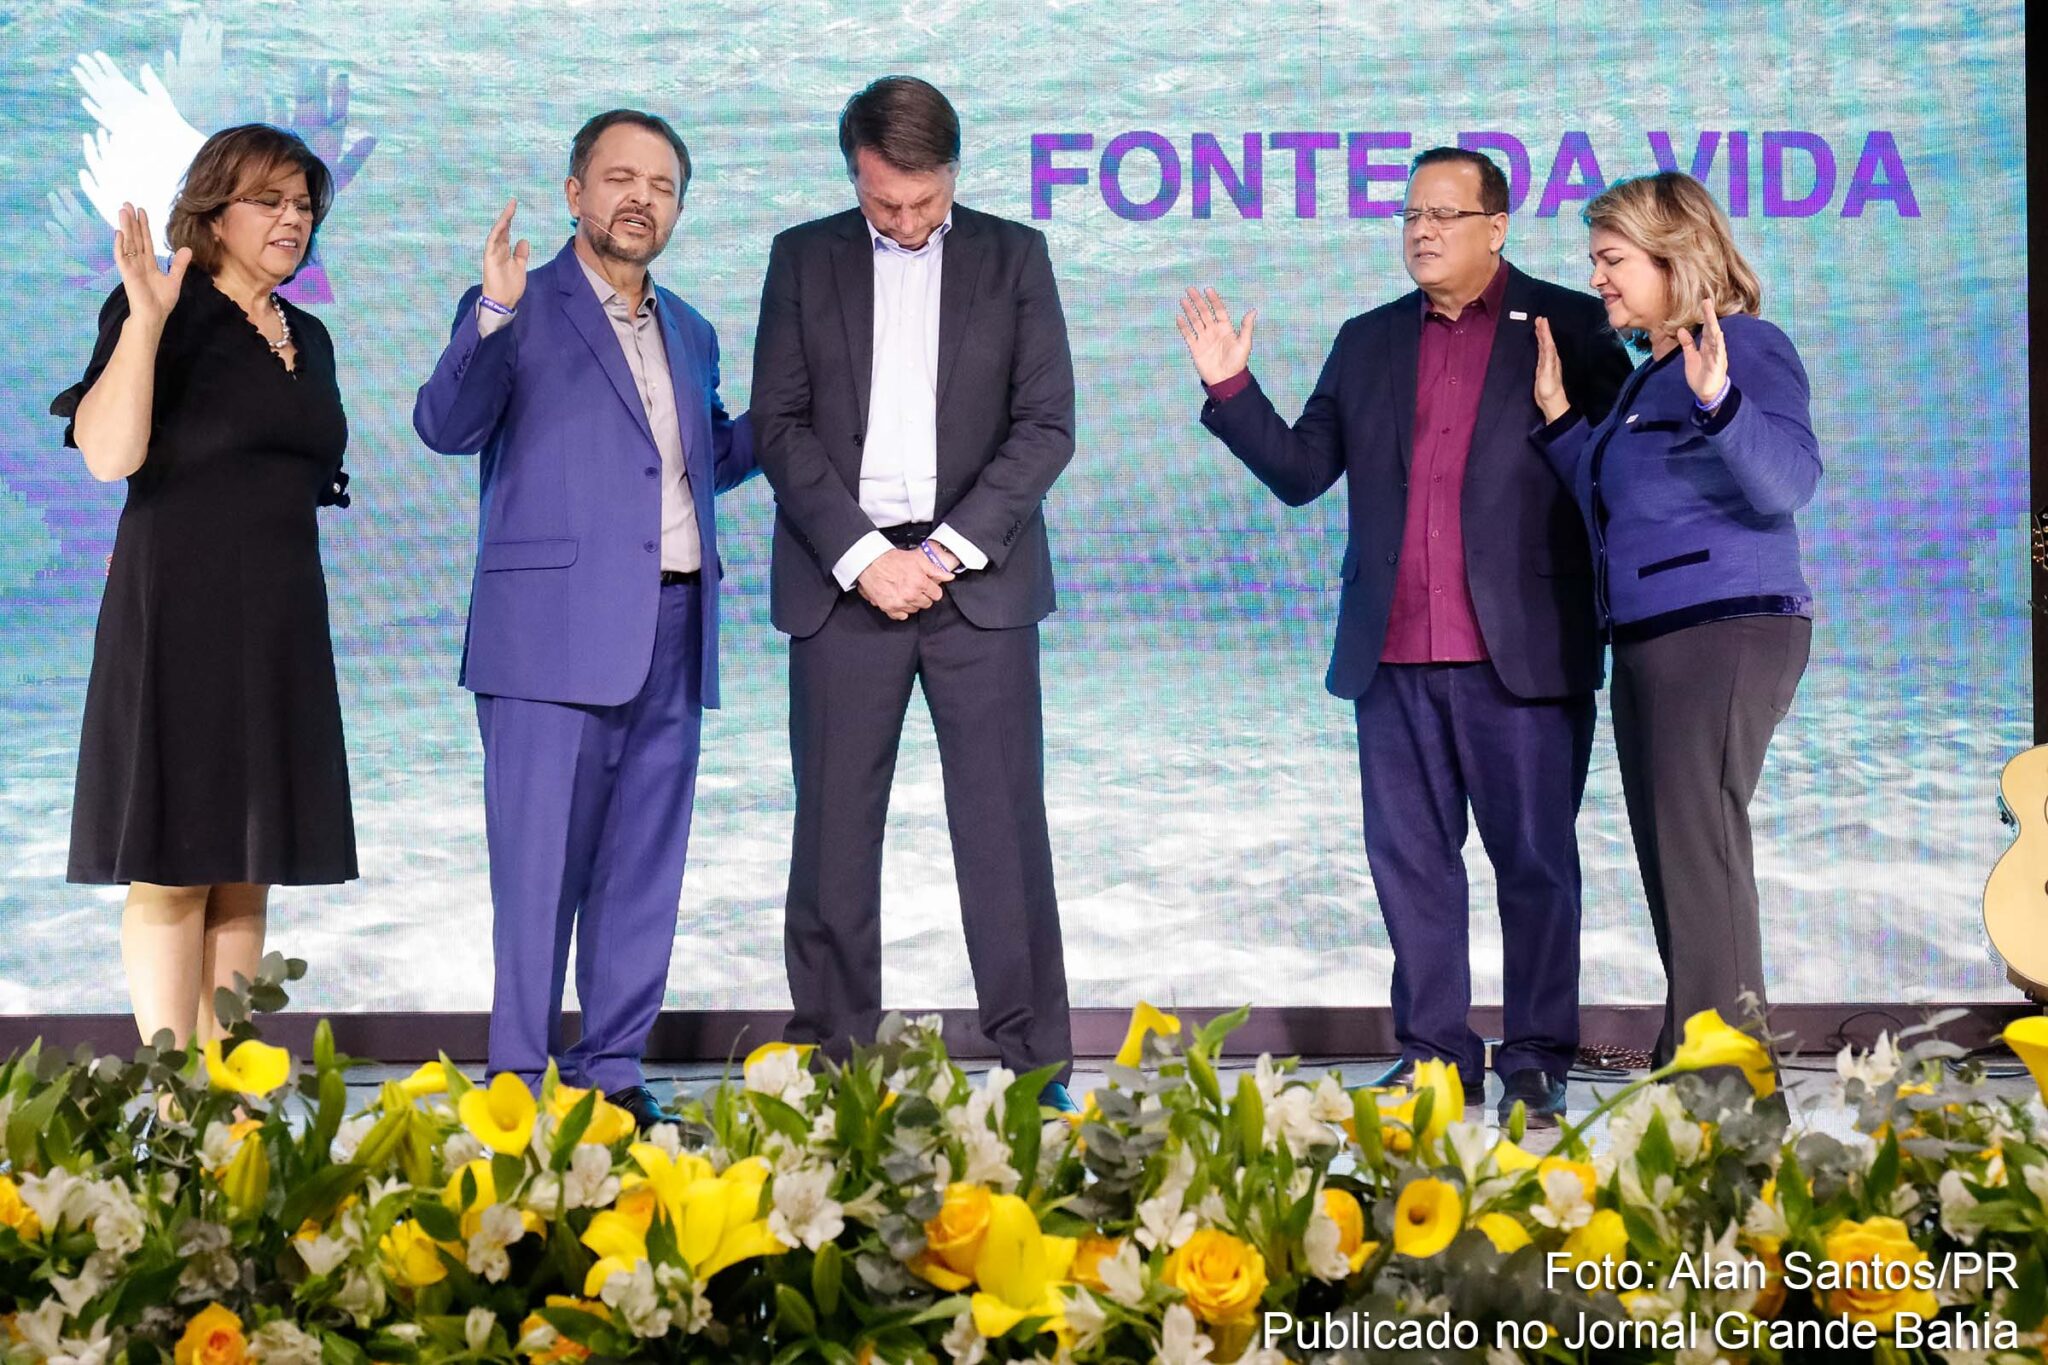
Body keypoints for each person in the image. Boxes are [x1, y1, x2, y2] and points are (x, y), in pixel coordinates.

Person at [1177, 147, 1634, 1126]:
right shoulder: (1367, 338)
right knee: (1411, 865)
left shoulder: (1576, 326)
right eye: (1410, 215)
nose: (1421, 231)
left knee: (1535, 863)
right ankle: (1433, 1055)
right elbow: (1303, 472)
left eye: (1445, 215)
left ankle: (1535, 1055)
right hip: (1389, 652)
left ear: (1496, 227)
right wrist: (1230, 390)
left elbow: (1613, 483)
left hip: (1523, 651)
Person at [413, 110, 755, 1129]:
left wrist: (787, 422)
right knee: (535, 877)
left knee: (641, 873)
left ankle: (610, 1076)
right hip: (544, 640)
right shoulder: (520, 301)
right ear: (575, 194)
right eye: (616, 177)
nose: (637, 198)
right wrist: (491, 315)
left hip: (676, 628)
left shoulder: (691, 328)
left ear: (678, 208)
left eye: (659, 184)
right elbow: (445, 425)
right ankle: (515, 1087)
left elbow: (699, 465)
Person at [752, 76, 1077, 1106]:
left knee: (1002, 830)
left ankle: (1036, 1067)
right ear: (855, 172)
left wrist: (939, 556)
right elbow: (779, 425)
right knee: (834, 832)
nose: (903, 221)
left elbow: (1045, 428)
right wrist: (861, 555)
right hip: (842, 582)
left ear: (952, 173)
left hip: (974, 583)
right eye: (883, 202)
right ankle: (840, 1064)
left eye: (922, 202)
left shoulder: (1013, 255)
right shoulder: (801, 258)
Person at [52, 124, 357, 1047]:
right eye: (270, 201)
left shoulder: (310, 335)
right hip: (178, 614)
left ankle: (229, 1094)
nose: (292, 219)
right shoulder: (160, 306)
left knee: (245, 866)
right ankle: (169, 1090)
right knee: (175, 862)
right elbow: (110, 456)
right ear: (214, 214)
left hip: (279, 623)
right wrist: (143, 324)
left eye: (304, 204)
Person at [1532, 171, 1819, 1066]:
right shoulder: (1643, 377)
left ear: (1676, 258)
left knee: (1701, 860)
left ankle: (1729, 1100)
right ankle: (1695, 1065)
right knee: (1674, 863)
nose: (1598, 281)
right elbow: (1623, 504)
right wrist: (1559, 426)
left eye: (1612, 260)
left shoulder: (1747, 348)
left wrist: (1721, 402)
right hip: (1657, 639)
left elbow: (1788, 483)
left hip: (1724, 630)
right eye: (1595, 262)